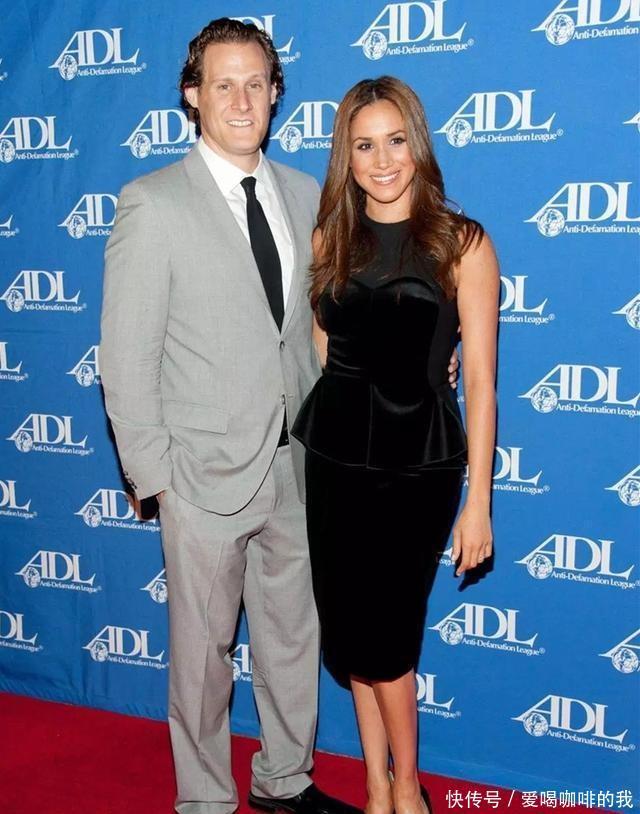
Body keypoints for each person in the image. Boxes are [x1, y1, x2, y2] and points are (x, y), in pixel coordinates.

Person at [100, 18, 363, 814]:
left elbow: (320, 327)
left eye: (256, 84)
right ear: (193, 95)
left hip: (296, 464)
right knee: (203, 656)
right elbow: (127, 355)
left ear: (277, 94)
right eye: (224, 85)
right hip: (201, 474)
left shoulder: (303, 193)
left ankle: (286, 781)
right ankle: (206, 801)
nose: (242, 101)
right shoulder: (152, 203)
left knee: (292, 637)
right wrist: (154, 476)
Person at [291, 76, 499, 814]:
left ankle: (408, 789)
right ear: (345, 157)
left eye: (396, 141)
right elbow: (325, 349)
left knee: (387, 640)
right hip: (335, 457)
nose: (383, 161)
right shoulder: (330, 239)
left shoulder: (462, 244)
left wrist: (479, 504)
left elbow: (482, 382)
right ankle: (376, 788)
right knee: (352, 635)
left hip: (417, 465)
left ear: (419, 144)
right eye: (364, 145)